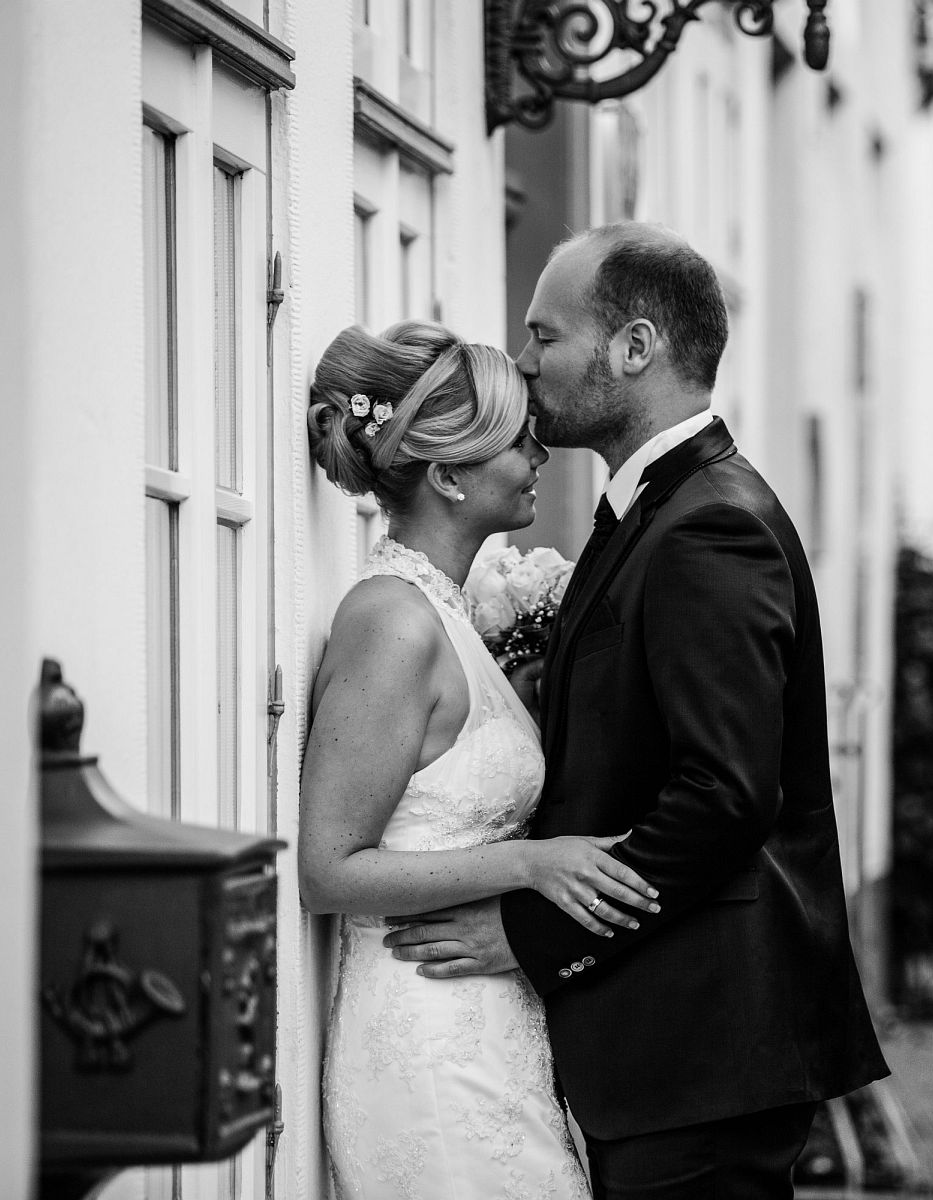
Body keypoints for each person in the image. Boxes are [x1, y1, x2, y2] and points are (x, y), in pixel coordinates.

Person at [382, 223, 890, 1198]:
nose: (525, 366)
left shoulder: (710, 528)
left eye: (546, 337)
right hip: (666, 1046)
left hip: (701, 1047)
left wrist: (535, 935)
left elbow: (725, 796)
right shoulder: (656, 510)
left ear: (635, 348)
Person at [302, 320, 660, 1200]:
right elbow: (327, 869)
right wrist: (531, 864)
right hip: (426, 1040)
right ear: (450, 474)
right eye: (516, 438)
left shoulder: (451, 616)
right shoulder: (391, 620)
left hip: (489, 1025)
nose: (540, 453)